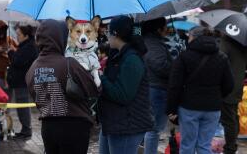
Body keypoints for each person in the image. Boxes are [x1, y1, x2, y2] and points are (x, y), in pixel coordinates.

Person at [25, 19, 99, 154]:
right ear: (60, 38)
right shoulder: (69, 64)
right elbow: (93, 89)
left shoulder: (32, 69)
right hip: (74, 126)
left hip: (48, 127)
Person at [167, 26, 234, 154]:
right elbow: (229, 84)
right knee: (204, 145)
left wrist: (171, 108)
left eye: (189, 36)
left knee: (187, 145)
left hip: (189, 107)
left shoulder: (184, 57)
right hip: (213, 108)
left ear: (193, 37)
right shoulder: (222, 57)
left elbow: (174, 85)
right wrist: (217, 96)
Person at [98, 16, 153, 154]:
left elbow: (123, 95)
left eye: (108, 32)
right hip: (114, 121)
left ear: (115, 34)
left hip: (127, 125)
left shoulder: (132, 59)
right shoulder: (117, 54)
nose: (106, 35)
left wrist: (100, 78)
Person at [142, 17, 172, 154]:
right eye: (165, 26)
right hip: (157, 89)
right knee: (153, 130)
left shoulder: (152, 41)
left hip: (153, 87)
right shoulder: (153, 43)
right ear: (158, 29)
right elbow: (160, 65)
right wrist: (174, 67)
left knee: (151, 129)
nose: (167, 29)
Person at [7, 25, 38, 139]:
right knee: (21, 106)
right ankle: (25, 129)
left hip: (23, 82)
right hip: (19, 81)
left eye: (19, 35)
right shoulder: (25, 45)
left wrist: (11, 52)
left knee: (23, 106)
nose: (17, 37)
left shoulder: (29, 47)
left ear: (26, 35)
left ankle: (26, 130)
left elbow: (18, 61)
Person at [219, 34, 247, 154]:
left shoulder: (225, 44)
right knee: (233, 117)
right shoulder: (243, 46)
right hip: (237, 86)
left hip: (227, 88)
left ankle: (230, 148)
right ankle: (231, 145)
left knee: (229, 119)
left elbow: (219, 62)